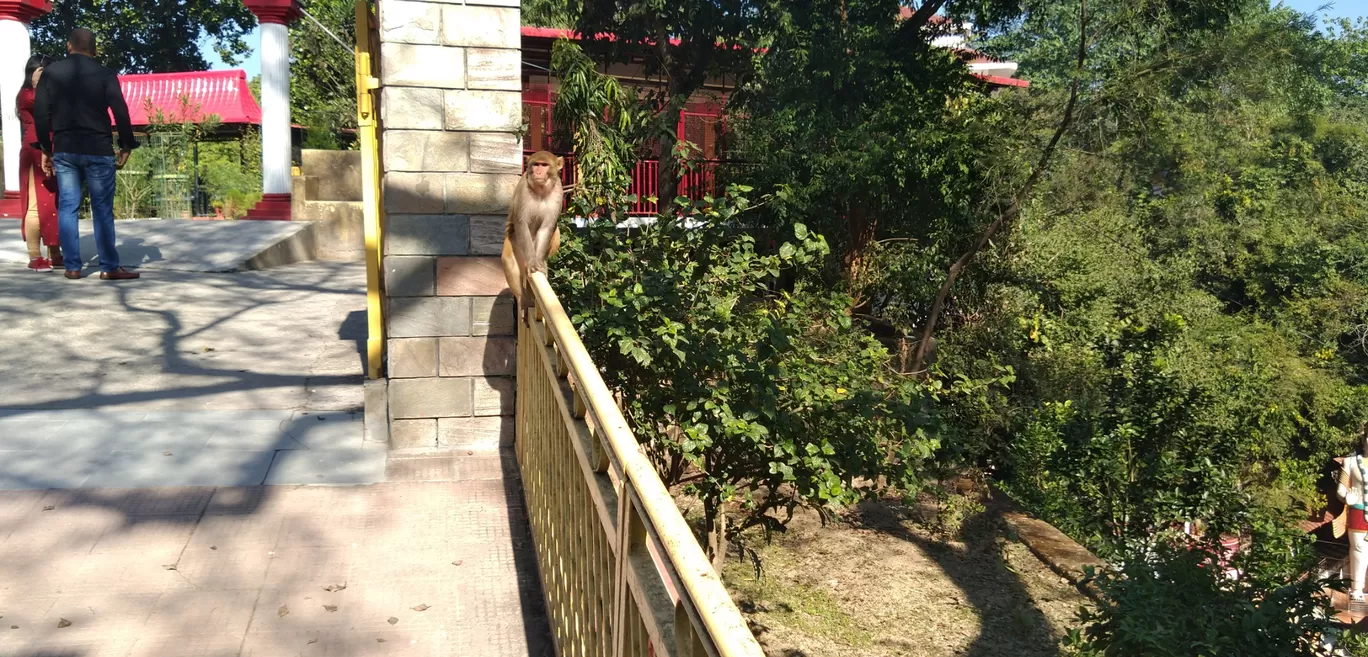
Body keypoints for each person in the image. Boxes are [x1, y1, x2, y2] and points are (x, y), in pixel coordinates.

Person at [33, 27, 139, 280]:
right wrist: (126, 144)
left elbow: (40, 113)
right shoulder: (105, 74)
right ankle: (109, 267)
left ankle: (72, 266)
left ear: (69, 46)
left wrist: (45, 147)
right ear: (95, 50)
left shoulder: (51, 74)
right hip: (98, 148)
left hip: (66, 148)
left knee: (68, 206)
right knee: (102, 209)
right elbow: (120, 111)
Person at [17, 54, 60, 272]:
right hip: (34, 151)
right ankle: (35, 256)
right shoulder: (27, 95)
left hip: (53, 150)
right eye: (43, 71)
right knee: (36, 205)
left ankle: (55, 253)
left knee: (55, 204)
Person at [1338, 437, 1368, 601]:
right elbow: (1341, 490)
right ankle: (1357, 588)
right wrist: (1346, 497)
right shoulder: (1350, 462)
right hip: (1359, 512)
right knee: (1359, 550)